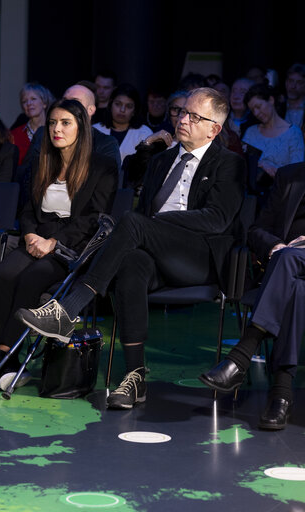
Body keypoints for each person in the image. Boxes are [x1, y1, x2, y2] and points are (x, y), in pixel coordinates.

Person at [15, 88, 245, 410]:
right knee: (132, 263)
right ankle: (135, 376)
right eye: (181, 113)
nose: (183, 120)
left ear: (214, 129)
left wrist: (157, 225)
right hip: (154, 251)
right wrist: (146, 151)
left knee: (134, 222)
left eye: (195, 117)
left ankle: (69, 308)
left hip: (200, 256)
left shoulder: (229, 163)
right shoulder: (162, 159)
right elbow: (130, 176)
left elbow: (217, 219)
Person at [0, 99, 117, 393]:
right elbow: (27, 209)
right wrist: (29, 235)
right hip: (37, 236)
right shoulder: (44, 159)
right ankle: (9, 360)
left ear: (81, 127)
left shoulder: (102, 165)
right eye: (52, 123)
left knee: (31, 277)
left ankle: (0, 356)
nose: (56, 129)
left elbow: (96, 218)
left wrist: (55, 242)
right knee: (1, 275)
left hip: (73, 246)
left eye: (65, 123)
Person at [200, 162, 305, 430]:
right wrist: (275, 246)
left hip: (291, 262)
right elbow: (257, 229)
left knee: (291, 260)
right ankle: (281, 396)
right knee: (296, 289)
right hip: (287, 274)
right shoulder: (290, 176)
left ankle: (241, 356)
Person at [122, 91, 188, 190]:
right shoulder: (160, 143)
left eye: (184, 111)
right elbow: (134, 174)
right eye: (175, 109)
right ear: (169, 111)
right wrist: (149, 141)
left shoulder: (197, 145)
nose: (180, 116)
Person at [243, 83, 305, 179]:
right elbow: (243, 165)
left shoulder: (293, 133)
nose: (256, 113)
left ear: (271, 100)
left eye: (258, 107)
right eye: (252, 110)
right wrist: (261, 164)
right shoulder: (251, 132)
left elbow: (296, 173)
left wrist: (272, 168)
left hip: (282, 191)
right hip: (252, 191)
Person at [93, 83, 153, 162]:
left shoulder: (144, 133)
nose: (122, 110)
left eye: (128, 106)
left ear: (135, 110)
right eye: (118, 104)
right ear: (111, 105)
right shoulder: (95, 130)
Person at [10, 82, 54, 164]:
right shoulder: (14, 135)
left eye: (33, 99)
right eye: (24, 101)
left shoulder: (55, 131)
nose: (29, 103)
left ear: (44, 103)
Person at [282, 63, 305, 132]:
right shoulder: (277, 108)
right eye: (290, 81)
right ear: (286, 82)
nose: (293, 86)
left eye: (299, 82)